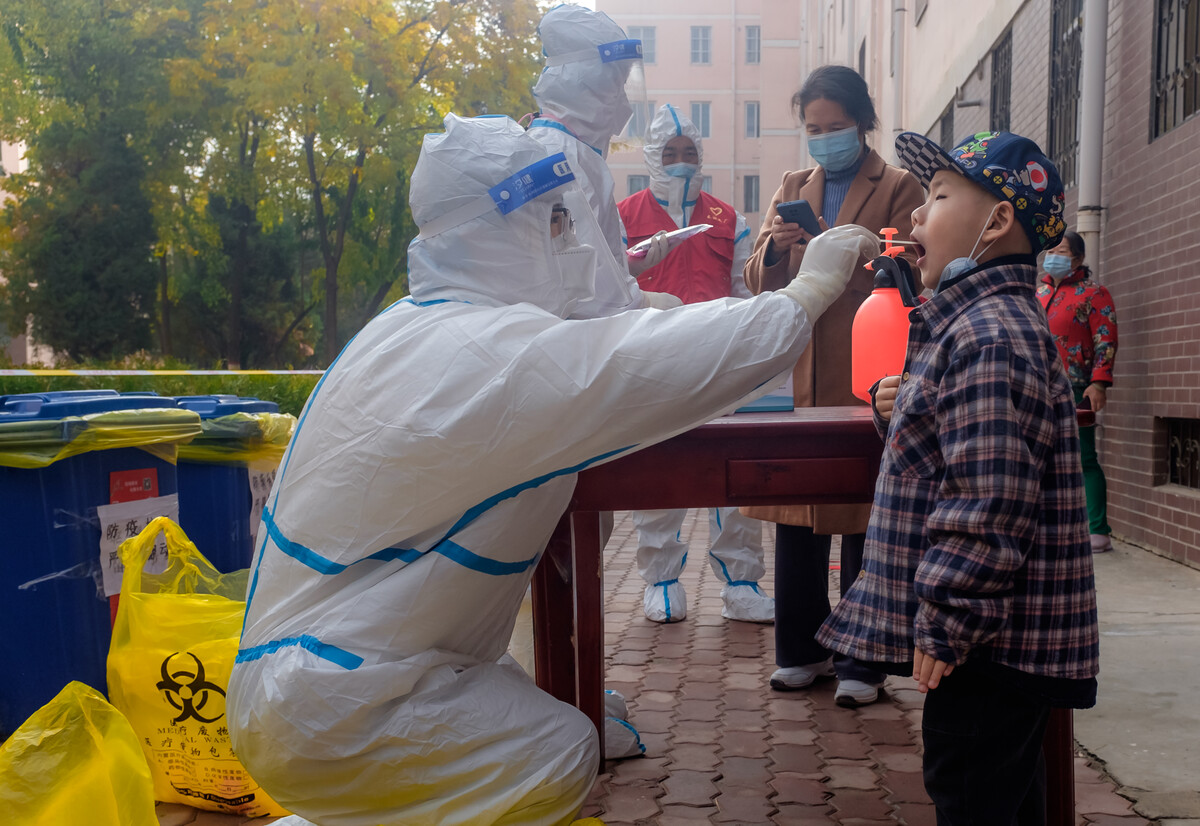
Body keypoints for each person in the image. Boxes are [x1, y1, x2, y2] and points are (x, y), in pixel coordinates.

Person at [227, 113, 879, 826]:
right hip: (348, 706)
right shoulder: (489, 352)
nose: (573, 241)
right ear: (509, 226)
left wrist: (637, 313)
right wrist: (803, 296)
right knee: (559, 750)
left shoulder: (408, 326)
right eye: (558, 220)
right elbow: (642, 367)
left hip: (312, 690)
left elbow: (581, 350)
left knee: (526, 706)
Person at [818, 130, 1100, 826]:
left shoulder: (989, 336)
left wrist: (946, 622)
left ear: (997, 221)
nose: (917, 213)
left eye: (938, 196)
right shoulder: (972, 325)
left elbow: (987, 501)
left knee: (971, 790)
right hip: (999, 639)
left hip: (990, 644)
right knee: (1001, 794)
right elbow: (956, 447)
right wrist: (902, 401)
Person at [742, 65, 925, 706]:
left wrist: (855, 247)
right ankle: (800, 651)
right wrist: (777, 247)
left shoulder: (900, 184)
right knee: (795, 513)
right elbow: (756, 277)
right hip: (803, 373)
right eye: (813, 129)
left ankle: (863, 659)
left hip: (872, 370)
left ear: (862, 122)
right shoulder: (794, 185)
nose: (823, 139)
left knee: (866, 518)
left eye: (835, 127)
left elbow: (915, 265)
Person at [616, 103, 771, 625]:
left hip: (719, 361)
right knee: (659, 472)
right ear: (653, 157)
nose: (680, 161)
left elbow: (744, 290)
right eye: (670, 153)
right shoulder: (622, 219)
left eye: (689, 152)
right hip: (652, 362)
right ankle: (660, 583)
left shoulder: (727, 219)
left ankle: (742, 583)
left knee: (733, 473)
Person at [528, 3, 679, 318]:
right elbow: (591, 301)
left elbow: (575, 259)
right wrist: (645, 304)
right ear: (585, 84)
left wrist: (623, 265)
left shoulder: (572, 152)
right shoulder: (559, 160)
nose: (624, 104)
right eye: (616, 86)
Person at [1037, 230, 1118, 553]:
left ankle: (1098, 529)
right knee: (1041, 457)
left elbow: (1105, 338)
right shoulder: (1038, 293)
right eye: (1051, 249)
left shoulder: (1093, 294)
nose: (1054, 255)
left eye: (1062, 250)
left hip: (1075, 386)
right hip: (1037, 385)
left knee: (1084, 457)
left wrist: (1099, 381)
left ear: (1079, 258)